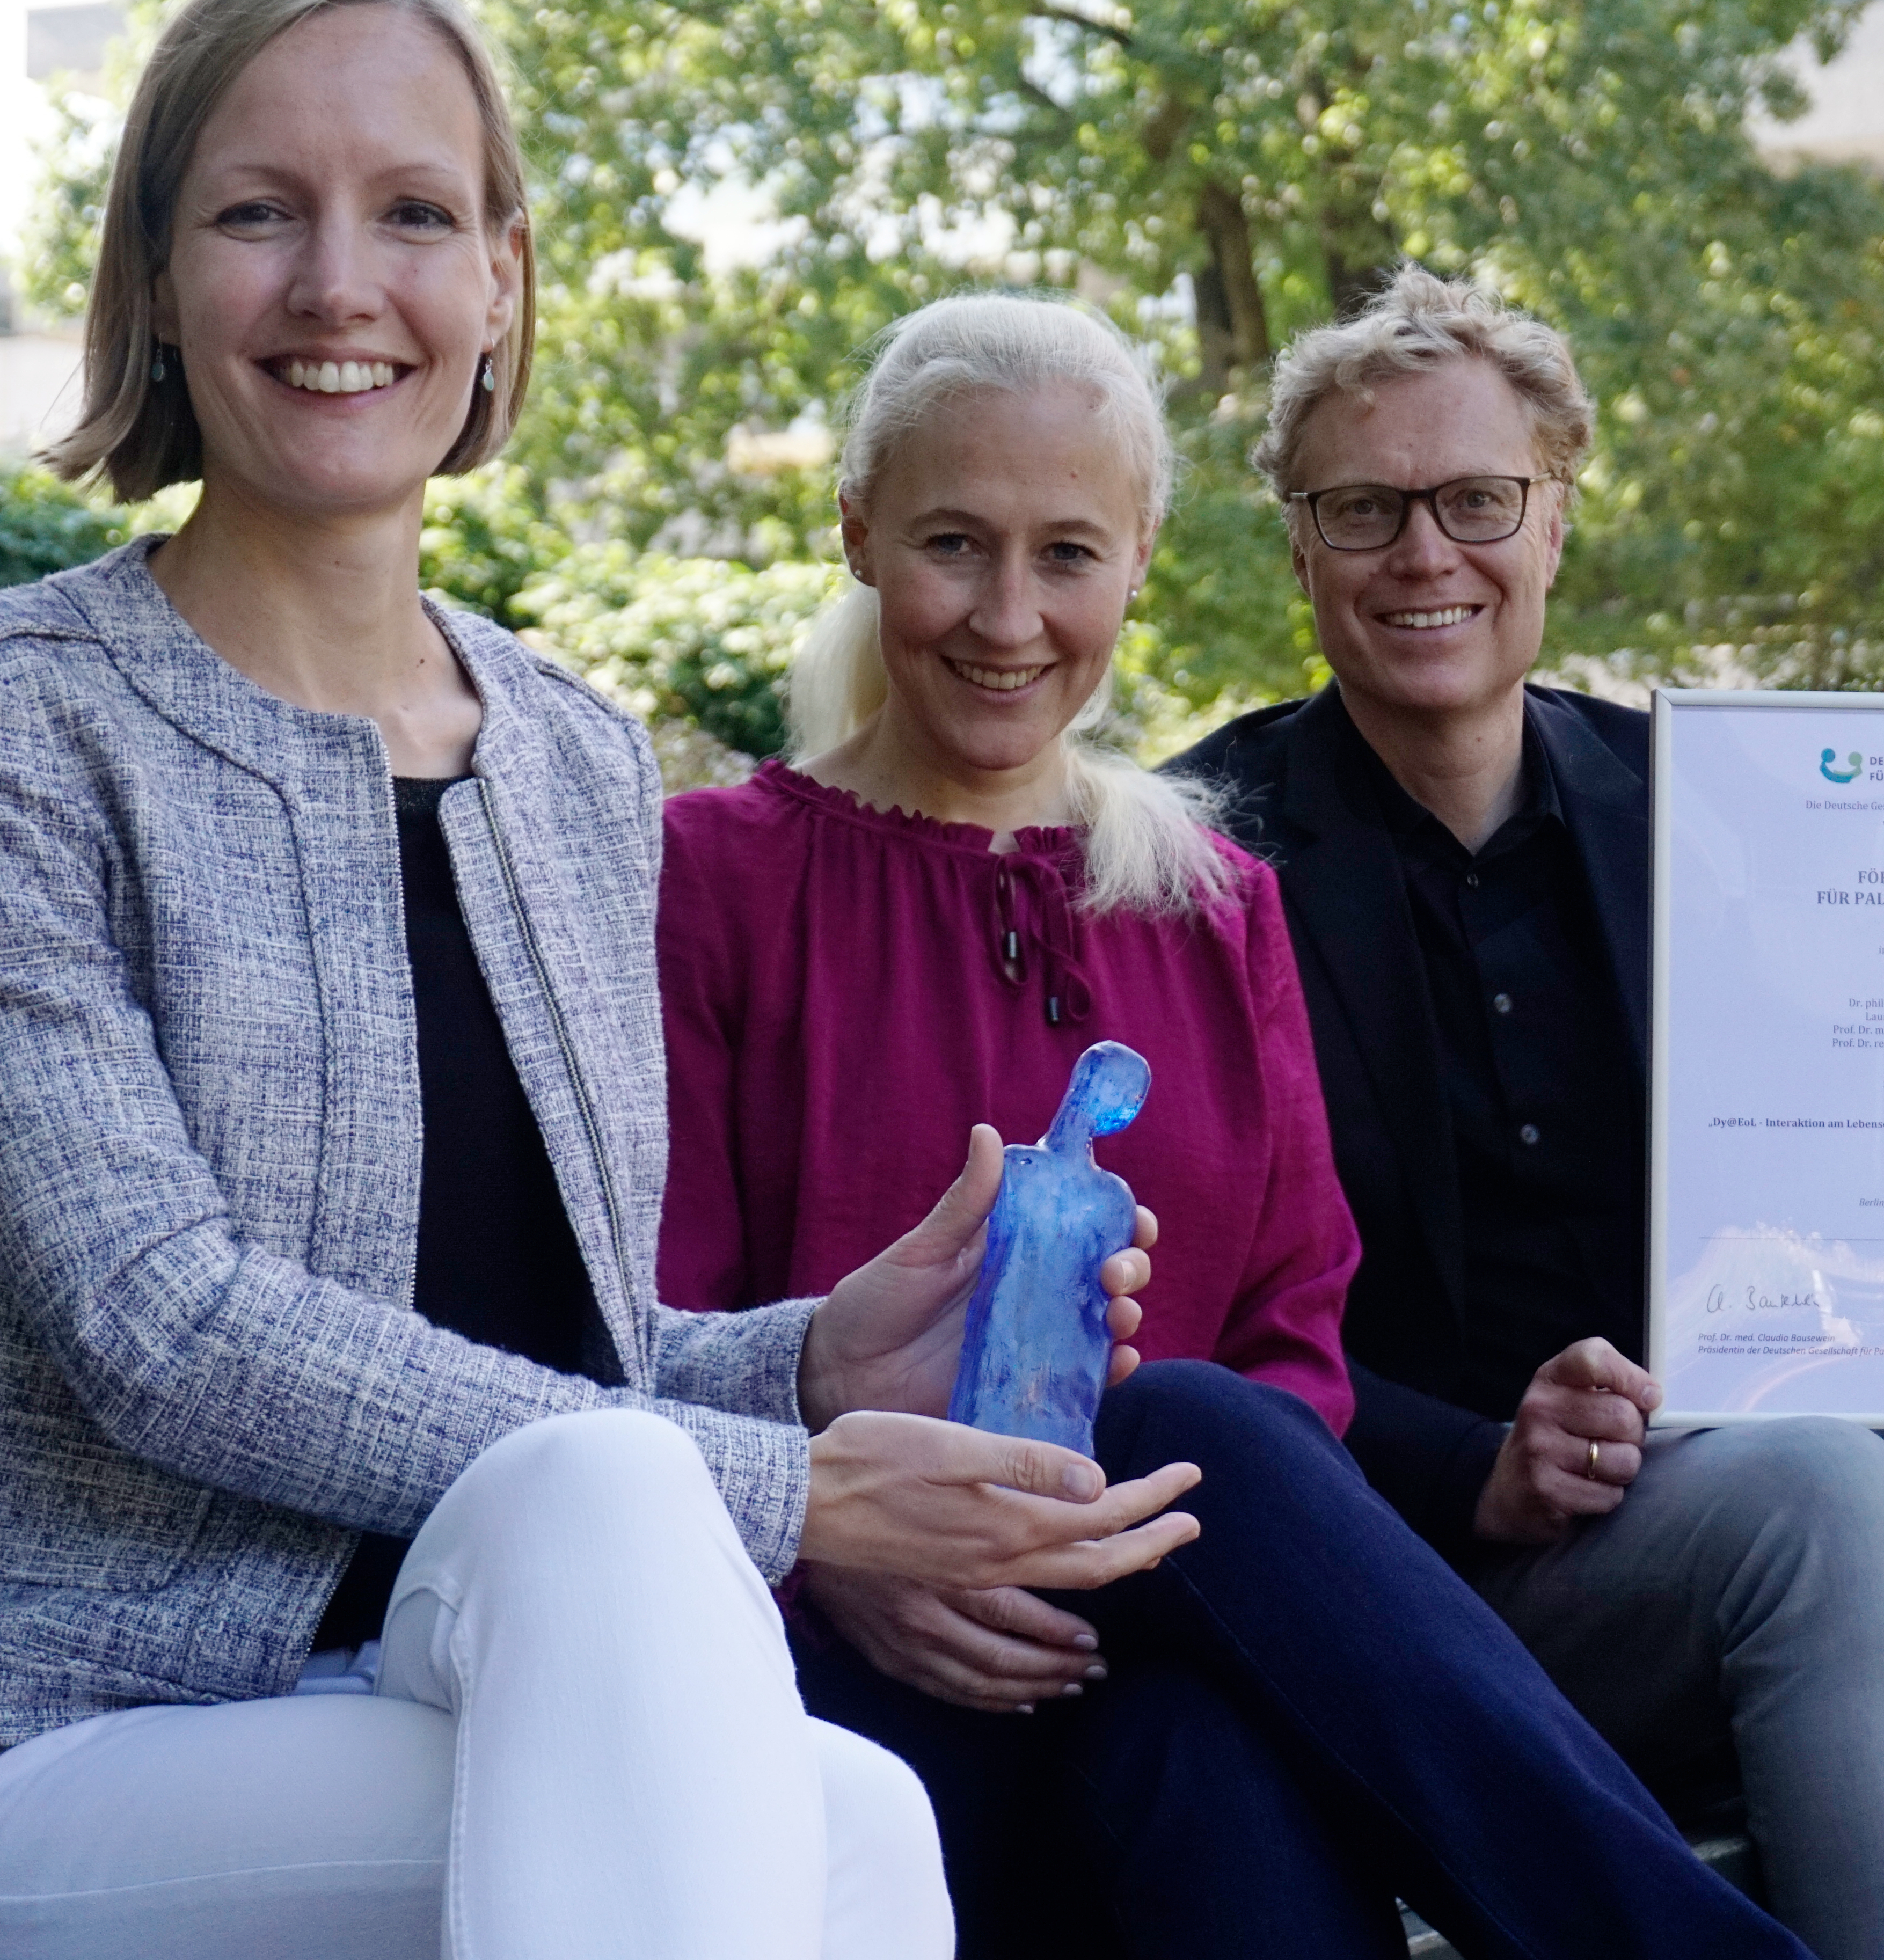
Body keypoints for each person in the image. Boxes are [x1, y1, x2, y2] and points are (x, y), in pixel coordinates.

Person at [0, 0, 1208, 1960]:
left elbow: (569, 1367)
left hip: (475, 1678)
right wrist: (793, 1491)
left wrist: (817, 1359)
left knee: (862, 1815)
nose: (335, 286)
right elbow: (161, 1321)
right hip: (82, 1744)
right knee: (667, 1594)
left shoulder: (564, 752)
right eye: (254, 212)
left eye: (411, 213)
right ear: (153, 272)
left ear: (499, 281)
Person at [1167, 267, 1884, 1960]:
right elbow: (1196, 1321)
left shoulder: (1729, 811)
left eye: (1479, 498)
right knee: (1820, 1491)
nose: (1426, 554)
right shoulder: (1199, 859)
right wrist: (1482, 1465)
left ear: (1557, 514)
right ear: (1298, 543)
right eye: (1363, 509)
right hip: (1433, 1573)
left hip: (1764, 1485)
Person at [654, 293, 1813, 1960]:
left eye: (1066, 554)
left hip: (1173, 1640)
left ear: (1137, 562)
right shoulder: (716, 881)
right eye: (952, 546)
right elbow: (655, 1326)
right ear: (856, 538)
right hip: (850, 1669)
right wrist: (837, 1552)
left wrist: (1126, 1548)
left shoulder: (1211, 906)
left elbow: (1297, 1336)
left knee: (1207, 1680)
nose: (1007, 615)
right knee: (1183, 1440)